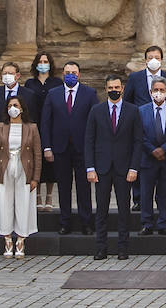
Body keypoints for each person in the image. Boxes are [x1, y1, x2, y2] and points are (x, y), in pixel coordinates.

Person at [85, 75, 142, 260]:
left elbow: (137, 142)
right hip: (101, 168)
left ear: (123, 88)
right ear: (105, 89)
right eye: (110, 87)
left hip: (124, 169)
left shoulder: (133, 111)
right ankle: (101, 247)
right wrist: (90, 168)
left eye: (116, 87)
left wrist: (134, 168)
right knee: (101, 209)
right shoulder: (96, 111)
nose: (113, 90)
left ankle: (123, 248)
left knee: (124, 209)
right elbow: (89, 141)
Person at [40, 60, 98, 235]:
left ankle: (86, 222)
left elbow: (95, 121)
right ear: (62, 74)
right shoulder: (53, 94)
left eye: (74, 72)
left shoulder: (89, 93)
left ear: (79, 74)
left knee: (83, 187)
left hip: (82, 148)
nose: (70, 75)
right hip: (60, 147)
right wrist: (47, 147)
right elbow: (46, 121)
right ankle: (65, 222)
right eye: (67, 72)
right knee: (64, 187)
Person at [0, 89, 41, 257]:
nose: (13, 108)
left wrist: (35, 178)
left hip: (24, 168)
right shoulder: (0, 127)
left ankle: (21, 239)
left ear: (22, 109)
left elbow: (37, 154)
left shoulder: (31, 128)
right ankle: (7, 239)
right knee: (4, 202)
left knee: (23, 202)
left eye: (16, 105)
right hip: (4, 168)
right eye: (10, 105)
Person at [125, 44, 166, 211]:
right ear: (145, 60)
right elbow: (128, 100)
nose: (153, 60)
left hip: (164, 128)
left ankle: (162, 208)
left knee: (163, 179)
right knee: (141, 165)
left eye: (157, 57)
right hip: (143, 128)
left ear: (161, 60)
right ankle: (138, 199)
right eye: (150, 58)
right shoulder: (135, 78)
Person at [137, 76, 166, 235]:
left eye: (161, 90)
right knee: (146, 193)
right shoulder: (141, 111)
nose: (158, 93)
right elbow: (139, 135)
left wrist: (164, 149)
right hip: (148, 158)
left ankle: (163, 224)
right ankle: (147, 223)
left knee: (165, 193)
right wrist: (152, 150)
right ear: (150, 91)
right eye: (156, 90)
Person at [24, 51, 57, 209]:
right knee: (35, 160)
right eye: (40, 61)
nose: (43, 64)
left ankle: (49, 196)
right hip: (34, 124)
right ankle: (36, 195)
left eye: (46, 61)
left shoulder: (56, 82)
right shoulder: (30, 83)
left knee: (50, 163)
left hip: (52, 125)